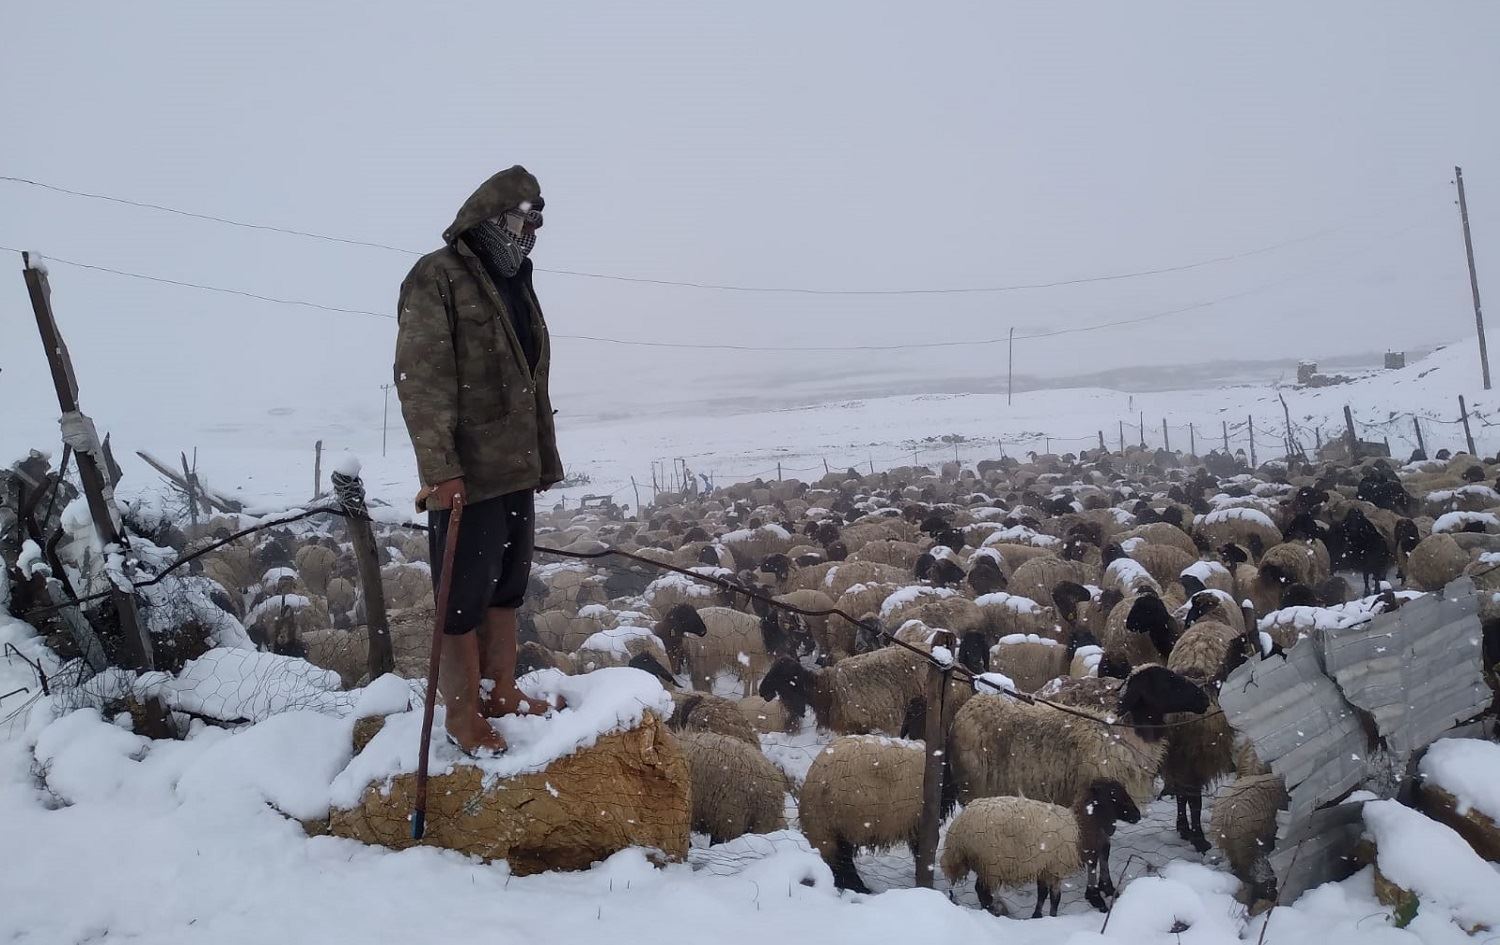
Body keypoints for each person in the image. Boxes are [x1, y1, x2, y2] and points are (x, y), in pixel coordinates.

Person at [394, 165, 565, 753]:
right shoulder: (437, 277)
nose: (533, 228)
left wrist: (539, 456)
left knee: (508, 584)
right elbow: (423, 379)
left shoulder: (515, 280)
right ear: (492, 217)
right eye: (523, 216)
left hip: (514, 465)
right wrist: (440, 469)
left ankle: (501, 690)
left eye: (538, 218)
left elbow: (527, 378)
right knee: (462, 595)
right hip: (468, 472)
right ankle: (462, 715)